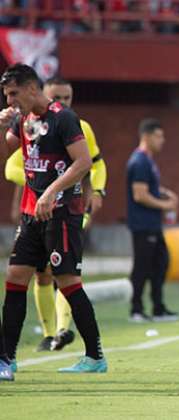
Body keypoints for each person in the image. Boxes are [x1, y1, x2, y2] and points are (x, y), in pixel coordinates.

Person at [0, 63, 107, 374]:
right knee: (16, 277)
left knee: (68, 281)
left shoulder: (63, 117)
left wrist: (51, 192)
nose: (9, 101)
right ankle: (6, 359)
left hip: (62, 213)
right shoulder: (21, 119)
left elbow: (84, 162)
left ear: (32, 89)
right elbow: (6, 156)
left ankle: (95, 356)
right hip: (32, 214)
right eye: (6, 95)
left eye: (12, 94)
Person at [125, 119, 179, 322]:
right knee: (142, 267)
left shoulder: (148, 160)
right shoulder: (139, 161)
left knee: (161, 263)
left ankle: (158, 308)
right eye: (159, 136)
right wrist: (166, 206)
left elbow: (149, 188)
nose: (162, 140)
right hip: (143, 224)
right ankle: (136, 309)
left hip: (152, 224)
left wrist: (165, 193)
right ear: (146, 136)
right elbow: (140, 194)